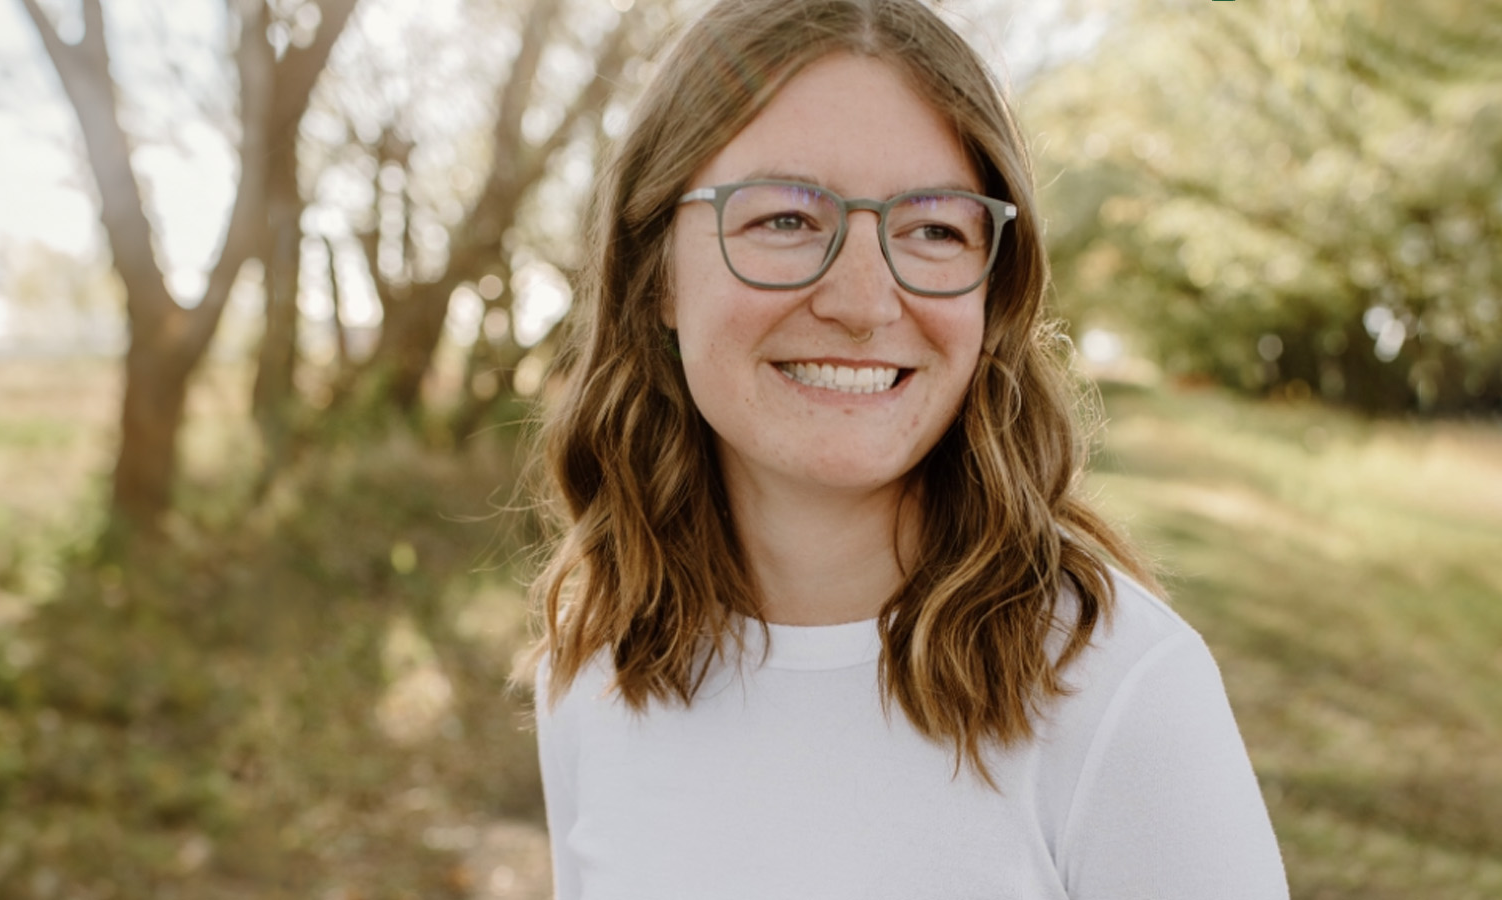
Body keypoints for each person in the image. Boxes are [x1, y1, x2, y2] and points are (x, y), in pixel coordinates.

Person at [523, 0, 1289, 897]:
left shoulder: (1121, 694)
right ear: (655, 272)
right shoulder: (593, 668)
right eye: (785, 220)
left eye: (933, 229)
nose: (863, 301)